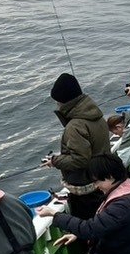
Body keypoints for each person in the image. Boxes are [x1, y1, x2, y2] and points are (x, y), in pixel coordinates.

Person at [43, 74, 109, 218]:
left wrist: (55, 161)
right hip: (102, 178)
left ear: (64, 101)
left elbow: (80, 159)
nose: (57, 105)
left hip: (86, 189)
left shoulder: (75, 126)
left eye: (57, 101)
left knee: (87, 225)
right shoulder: (96, 115)